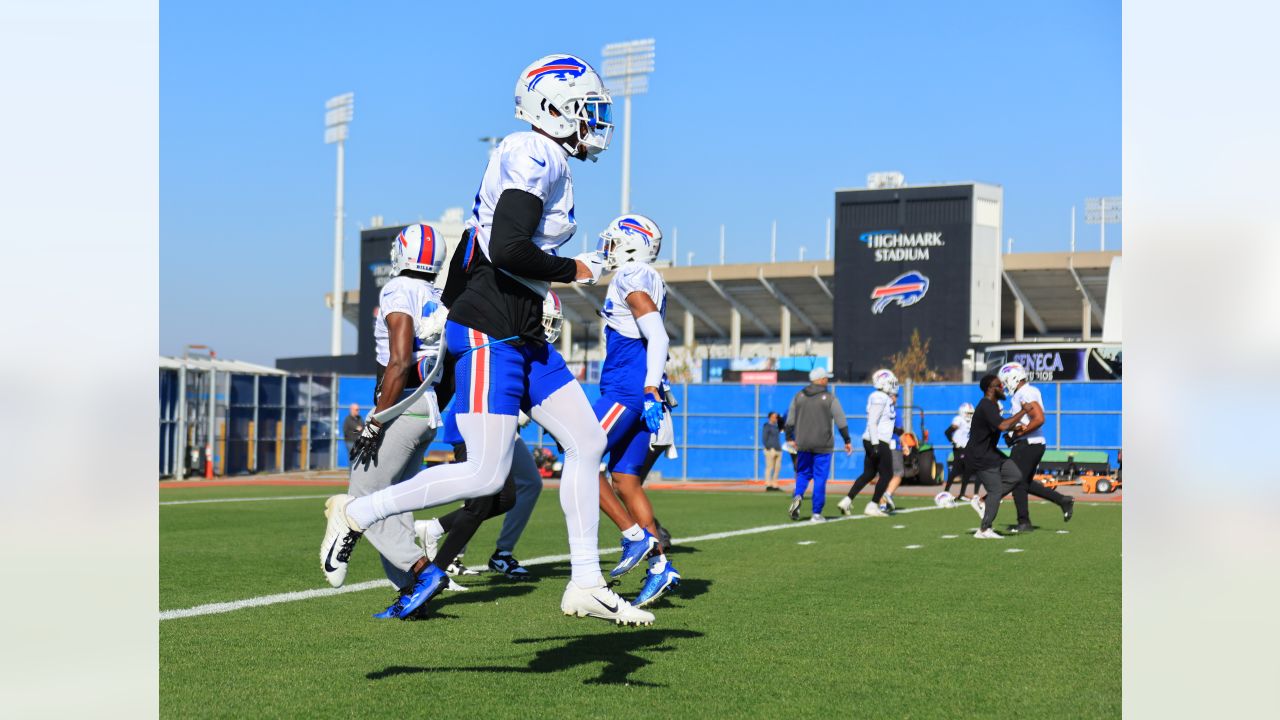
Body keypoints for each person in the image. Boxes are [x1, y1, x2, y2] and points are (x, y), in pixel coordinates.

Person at [320, 54, 652, 626]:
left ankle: (586, 583)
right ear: (554, 108)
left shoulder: (546, 157)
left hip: (517, 323)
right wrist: (579, 269)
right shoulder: (534, 151)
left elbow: (478, 252)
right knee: (485, 476)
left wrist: (482, 301)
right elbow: (508, 248)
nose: (596, 121)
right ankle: (356, 512)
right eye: (588, 108)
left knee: (587, 443)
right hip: (493, 328)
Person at [319, 224, 448, 603]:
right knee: (394, 504)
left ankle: (422, 571)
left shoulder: (399, 289)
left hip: (400, 405)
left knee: (360, 501)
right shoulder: (435, 293)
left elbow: (400, 359)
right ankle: (410, 591)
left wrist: (376, 421)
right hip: (425, 405)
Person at [414, 293, 565, 583]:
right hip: (476, 423)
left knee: (512, 494)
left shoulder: (530, 347)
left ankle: (449, 536)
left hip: (503, 426)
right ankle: (438, 567)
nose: (547, 328)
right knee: (481, 497)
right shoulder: (502, 340)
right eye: (544, 320)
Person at [591, 213, 681, 608]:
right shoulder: (650, 277)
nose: (608, 247)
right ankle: (661, 567)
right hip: (645, 388)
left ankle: (635, 537)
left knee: (580, 458)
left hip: (628, 388)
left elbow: (657, 334)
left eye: (613, 240)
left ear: (632, 243)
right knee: (626, 479)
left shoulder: (630, 277)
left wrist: (645, 386)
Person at [997, 362, 1075, 532]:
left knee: (1015, 481)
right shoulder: (1026, 392)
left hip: (1028, 444)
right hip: (1031, 443)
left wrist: (1017, 434)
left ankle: (1024, 522)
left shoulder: (1025, 392)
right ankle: (1063, 500)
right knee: (1025, 483)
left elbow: (1038, 418)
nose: (1003, 385)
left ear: (1013, 377)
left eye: (1005, 380)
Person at [966, 375, 1032, 538]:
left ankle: (982, 501)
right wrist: (1024, 410)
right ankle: (984, 529)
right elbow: (1003, 425)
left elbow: (1000, 425)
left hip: (990, 452)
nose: (1002, 388)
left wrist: (1015, 427)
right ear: (990, 389)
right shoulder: (986, 405)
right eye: (998, 385)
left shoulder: (992, 406)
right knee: (996, 490)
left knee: (1015, 476)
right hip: (979, 455)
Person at [784, 367, 853, 523]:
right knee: (820, 478)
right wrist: (847, 440)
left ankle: (798, 496)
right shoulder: (829, 397)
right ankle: (816, 513)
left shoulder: (798, 396)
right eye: (826, 378)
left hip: (802, 443)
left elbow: (790, 420)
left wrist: (789, 437)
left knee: (802, 474)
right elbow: (840, 420)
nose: (827, 380)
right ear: (821, 380)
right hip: (823, 445)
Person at [837, 368, 898, 517]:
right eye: (890, 382)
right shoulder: (879, 397)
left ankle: (847, 500)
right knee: (887, 474)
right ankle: (872, 505)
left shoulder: (883, 397)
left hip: (874, 439)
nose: (893, 385)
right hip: (877, 440)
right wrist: (876, 444)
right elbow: (872, 422)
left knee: (869, 473)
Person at [942, 403, 975, 499]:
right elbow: (947, 432)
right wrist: (953, 442)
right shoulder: (959, 420)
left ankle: (962, 494)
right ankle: (946, 492)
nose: (969, 415)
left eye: (971, 413)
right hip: (959, 448)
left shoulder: (971, 421)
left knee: (968, 470)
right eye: (967, 413)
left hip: (967, 448)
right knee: (956, 470)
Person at [762, 411, 783, 491]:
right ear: (770, 417)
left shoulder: (777, 427)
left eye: (776, 417)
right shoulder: (767, 426)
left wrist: (780, 418)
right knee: (769, 467)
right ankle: (768, 484)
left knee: (777, 468)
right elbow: (764, 438)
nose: (775, 418)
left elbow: (783, 425)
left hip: (778, 449)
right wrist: (769, 447)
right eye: (774, 417)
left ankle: (775, 484)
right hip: (771, 449)